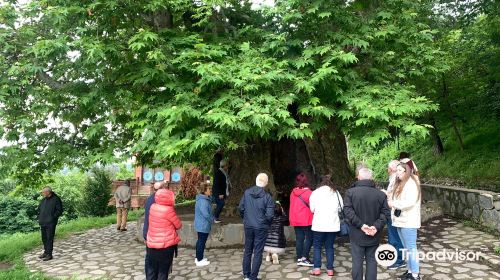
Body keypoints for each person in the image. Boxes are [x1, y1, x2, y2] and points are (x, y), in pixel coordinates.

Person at [344, 167, 390, 280]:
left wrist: (361, 225)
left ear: (358, 177)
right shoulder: (380, 194)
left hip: (357, 233)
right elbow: (385, 214)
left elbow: (348, 212)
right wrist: (375, 226)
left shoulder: (350, 192)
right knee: (372, 261)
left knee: (357, 261)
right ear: (371, 178)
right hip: (374, 234)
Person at [388, 163, 422, 280]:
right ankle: (410, 271)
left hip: (408, 221)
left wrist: (394, 204)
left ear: (406, 171)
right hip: (400, 220)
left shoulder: (412, 184)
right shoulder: (401, 183)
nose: (397, 172)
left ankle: (415, 274)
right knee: (406, 248)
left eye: (400, 170)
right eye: (396, 170)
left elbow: (409, 202)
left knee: (411, 248)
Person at [239, 173, 275, 280]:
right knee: (258, 251)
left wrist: (246, 219)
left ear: (256, 181)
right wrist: (266, 224)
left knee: (248, 249)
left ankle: (246, 274)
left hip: (249, 225)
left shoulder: (246, 193)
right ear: (266, 183)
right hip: (261, 227)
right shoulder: (267, 197)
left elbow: (241, 208)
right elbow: (270, 215)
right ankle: (253, 277)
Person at [308, 175, 342, 277]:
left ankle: (317, 269)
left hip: (318, 225)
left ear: (320, 182)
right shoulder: (336, 193)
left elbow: (312, 209)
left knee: (317, 246)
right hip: (332, 225)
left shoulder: (315, 193)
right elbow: (341, 208)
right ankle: (330, 269)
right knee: (329, 247)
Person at [146, 188, 182, 280]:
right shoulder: (168, 210)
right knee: (163, 271)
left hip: (152, 244)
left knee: (152, 270)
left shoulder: (152, 207)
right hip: (165, 246)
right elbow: (178, 225)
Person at [383, 160, 406, 269]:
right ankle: (397, 258)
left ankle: (398, 260)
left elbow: (394, 196)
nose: (387, 170)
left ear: (392, 169)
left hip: (394, 212)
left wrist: (385, 194)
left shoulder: (395, 180)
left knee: (394, 237)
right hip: (392, 212)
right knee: (394, 236)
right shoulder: (394, 179)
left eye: (388, 168)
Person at [288, 172, 314, 267]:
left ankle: (299, 257)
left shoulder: (292, 192)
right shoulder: (310, 193)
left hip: (295, 219)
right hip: (306, 219)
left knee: (299, 238)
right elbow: (313, 206)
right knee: (310, 238)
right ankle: (304, 258)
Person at [143, 182, 165, 277]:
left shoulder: (149, 199)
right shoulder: (160, 200)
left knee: (150, 259)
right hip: (156, 235)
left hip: (148, 233)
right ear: (161, 189)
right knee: (157, 260)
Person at [37, 187, 63, 261]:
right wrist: (39, 217)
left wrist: (52, 217)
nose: (42, 194)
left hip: (51, 223)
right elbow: (39, 209)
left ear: (48, 192)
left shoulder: (56, 199)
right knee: (44, 238)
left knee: (49, 238)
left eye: (43, 192)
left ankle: (49, 254)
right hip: (43, 222)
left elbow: (59, 210)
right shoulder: (43, 200)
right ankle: (45, 252)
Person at [194, 182, 214, 267]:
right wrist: (212, 220)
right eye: (209, 189)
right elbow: (206, 214)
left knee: (200, 241)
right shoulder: (203, 201)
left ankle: (199, 257)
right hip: (203, 225)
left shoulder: (204, 199)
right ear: (204, 191)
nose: (210, 190)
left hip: (201, 224)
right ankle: (199, 260)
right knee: (201, 242)